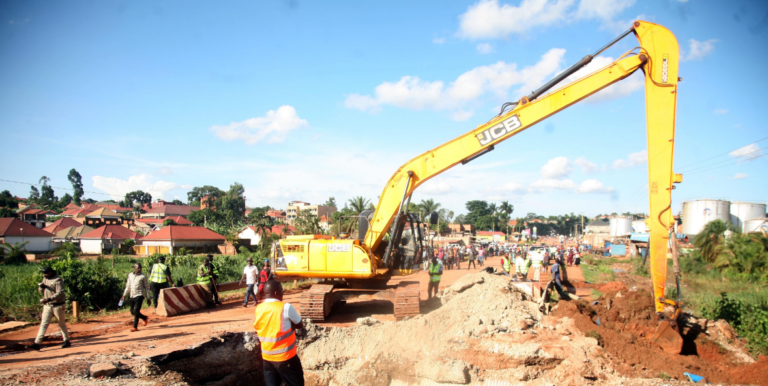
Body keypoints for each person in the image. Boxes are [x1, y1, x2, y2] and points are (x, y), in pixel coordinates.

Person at [253, 280, 305, 386]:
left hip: (267, 358)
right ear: (276, 293)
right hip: (286, 358)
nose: (283, 293)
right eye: (281, 290)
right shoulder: (285, 307)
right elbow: (300, 324)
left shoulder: (259, 308)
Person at [26, 267, 70, 350]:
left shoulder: (58, 280)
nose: (45, 275)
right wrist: (41, 287)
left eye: (46, 273)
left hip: (58, 305)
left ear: (51, 272)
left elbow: (60, 293)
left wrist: (49, 299)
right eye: (44, 273)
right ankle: (37, 343)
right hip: (47, 305)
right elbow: (41, 291)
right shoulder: (45, 279)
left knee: (61, 323)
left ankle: (66, 340)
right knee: (44, 324)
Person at [121, 263, 151, 332]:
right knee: (132, 311)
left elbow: (146, 287)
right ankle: (144, 317)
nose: (140, 269)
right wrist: (124, 295)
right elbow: (128, 286)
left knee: (136, 311)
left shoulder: (143, 276)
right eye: (138, 268)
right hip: (132, 295)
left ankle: (135, 327)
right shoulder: (130, 275)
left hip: (139, 295)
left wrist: (148, 298)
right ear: (134, 268)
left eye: (141, 268)